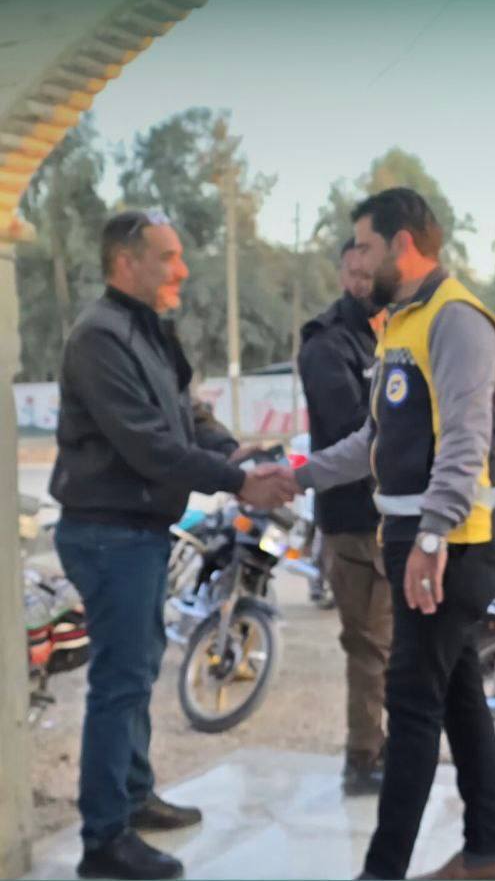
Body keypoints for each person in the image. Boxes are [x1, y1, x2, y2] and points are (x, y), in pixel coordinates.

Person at [50, 210, 296, 880]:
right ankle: (104, 839)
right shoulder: (98, 337)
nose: (182, 270)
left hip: (137, 530)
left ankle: (133, 795)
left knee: (137, 668)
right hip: (108, 532)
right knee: (120, 681)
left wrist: (235, 452)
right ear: (126, 262)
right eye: (168, 256)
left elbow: (188, 415)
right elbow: (149, 445)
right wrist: (239, 482)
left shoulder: (147, 329)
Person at [288, 188, 495, 880]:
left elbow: (466, 440)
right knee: (459, 699)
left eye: (363, 245)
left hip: (451, 545)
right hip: (414, 537)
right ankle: (489, 854)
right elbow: (374, 440)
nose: (355, 260)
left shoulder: (456, 319)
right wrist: (295, 475)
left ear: (403, 244)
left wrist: (432, 537)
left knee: (411, 704)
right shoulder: (402, 323)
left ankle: (381, 870)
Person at [298, 238, 391, 796]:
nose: (362, 283)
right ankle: (364, 757)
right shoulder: (327, 343)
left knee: (396, 646)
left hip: (398, 516)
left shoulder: (396, 330)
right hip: (355, 519)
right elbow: (351, 432)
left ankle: (389, 747)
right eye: (353, 273)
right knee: (369, 645)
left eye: (369, 272)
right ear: (341, 275)